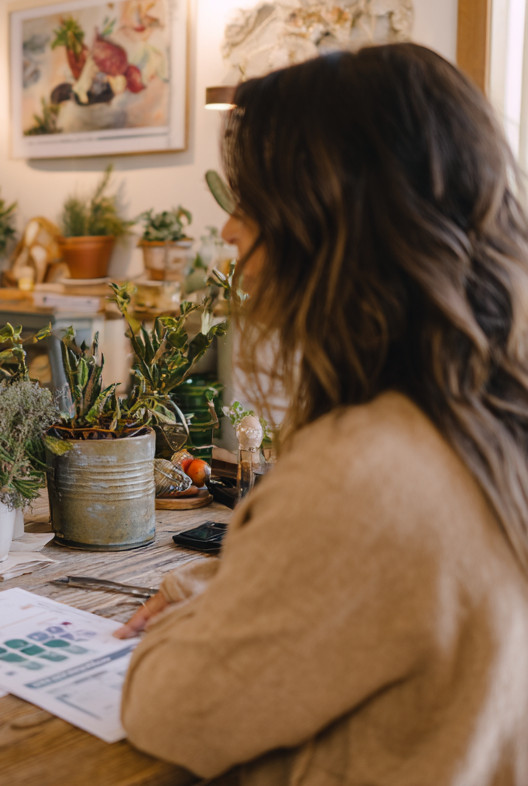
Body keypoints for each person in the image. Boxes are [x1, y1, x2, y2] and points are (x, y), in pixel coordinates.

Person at [117, 45, 528, 784]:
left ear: (332, 224)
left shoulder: (362, 469)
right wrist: (212, 589)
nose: (232, 232)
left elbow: (165, 708)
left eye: (251, 203)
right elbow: (397, 593)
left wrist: (182, 629)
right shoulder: (489, 419)